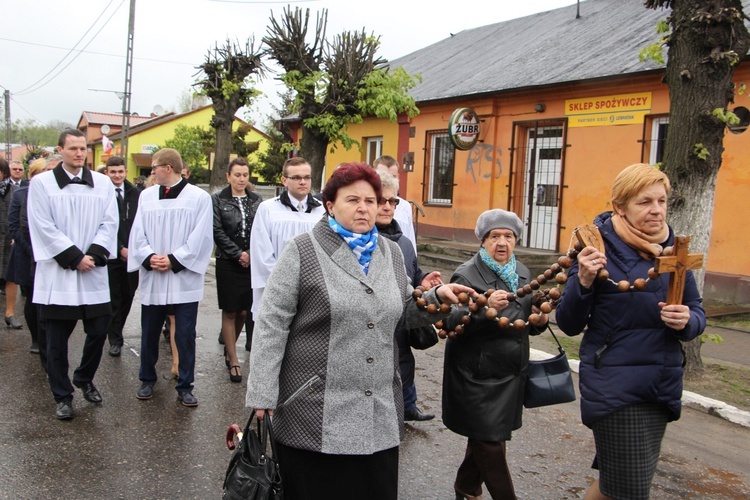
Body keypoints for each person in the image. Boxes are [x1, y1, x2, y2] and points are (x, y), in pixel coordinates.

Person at [246, 162, 477, 500]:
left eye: (371, 200)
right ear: (329, 205)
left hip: (376, 413)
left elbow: (401, 312)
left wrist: (435, 299)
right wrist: (262, 396)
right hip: (313, 410)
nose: (364, 208)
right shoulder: (302, 251)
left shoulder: (391, 253)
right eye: (352, 200)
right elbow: (271, 325)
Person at [554, 163, 706, 500]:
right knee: (630, 490)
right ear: (619, 206)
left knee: (616, 486)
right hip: (615, 386)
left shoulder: (673, 252)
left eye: (661, 201)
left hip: (661, 384)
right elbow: (568, 323)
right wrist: (583, 281)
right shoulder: (596, 249)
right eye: (645, 202)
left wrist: (688, 321)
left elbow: (697, 311)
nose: (656, 210)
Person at [442, 208, 549, 500]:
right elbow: (452, 324)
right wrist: (487, 312)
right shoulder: (467, 273)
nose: (502, 242)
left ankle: (465, 488)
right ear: (482, 241)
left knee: (487, 438)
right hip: (476, 374)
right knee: (490, 443)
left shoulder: (523, 272)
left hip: (510, 373)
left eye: (508, 236)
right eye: (494, 236)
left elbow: (524, 322)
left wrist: (539, 321)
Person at [27, 129, 119, 420]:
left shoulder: (103, 183)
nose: (80, 153)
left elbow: (109, 221)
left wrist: (92, 254)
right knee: (55, 340)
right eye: (73, 149)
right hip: (59, 273)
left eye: (83, 149)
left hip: (92, 271)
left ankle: (83, 376)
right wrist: (74, 257)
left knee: (99, 329)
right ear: (60, 151)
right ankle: (62, 395)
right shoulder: (42, 184)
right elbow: (42, 225)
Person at [129, 148, 213, 407]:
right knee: (149, 332)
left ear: (168, 168)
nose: (151, 172)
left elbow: (201, 236)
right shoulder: (146, 196)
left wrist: (175, 259)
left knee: (185, 334)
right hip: (154, 275)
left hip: (182, 277)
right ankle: (146, 379)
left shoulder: (198, 197)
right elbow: (137, 232)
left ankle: (185, 385)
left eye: (154, 167)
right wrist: (148, 256)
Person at [375, 170, 441, 421]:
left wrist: (423, 281)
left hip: (403, 316)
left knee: (405, 361)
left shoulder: (403, 241)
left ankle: (408, 405)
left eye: (392, 201)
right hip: (377, 321)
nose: (387, 207)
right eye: (381, 201)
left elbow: (413, 272)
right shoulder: (362, 239)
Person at [249, 157, 325, 324]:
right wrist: (284, 283)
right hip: (277, 288)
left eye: (307, 177)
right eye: (296, 177)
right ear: (284, 180)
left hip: (313, 290)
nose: (303, 182)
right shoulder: (268, 209)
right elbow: (261, 252)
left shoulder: (322, 211)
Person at [212, 157, 262, 382]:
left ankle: (230, 346)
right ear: (228, 176)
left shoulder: (256, 200)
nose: (241, 179)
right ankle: (233, 360)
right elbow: (217, 230)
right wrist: (237, 253)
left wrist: (251, 253)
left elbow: (262, 228)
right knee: (230, 310)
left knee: (244, 310)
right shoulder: (218, 199)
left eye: (245, 175)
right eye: (237, 175)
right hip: (228, 261)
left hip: (252, 261)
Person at [7, 158, 47, 353]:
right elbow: (14, 226)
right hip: (26, 253)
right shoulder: (21, 194)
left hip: (48, 255)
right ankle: (36, 339)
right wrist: (32, 249)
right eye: (42, 173)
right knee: (31, 297)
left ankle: (48, 337)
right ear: (33, 175)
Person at [104, 156, 140, 357]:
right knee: (113, 297)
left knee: (128, 295)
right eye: (113, 172)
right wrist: (118, 248)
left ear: (126, 172)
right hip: (111, 255)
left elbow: (139, 223)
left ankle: (117, 329)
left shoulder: (135, 193)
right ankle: (114, 338)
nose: (117, 175)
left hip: (131, 255)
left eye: (120, 171)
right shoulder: (102, 192)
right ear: (107, 173)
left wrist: (132, 249)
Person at [373, 155, 416, 250]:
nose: (387, 180)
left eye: (393, 176)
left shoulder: (405, 206)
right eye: (382, 175)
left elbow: (410, 239)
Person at [0, 159, 21, 329]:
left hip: (9, 240)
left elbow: (20, 216)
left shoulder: (15, 191)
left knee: (11, 277)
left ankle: (10, 314)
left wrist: (17, 235)